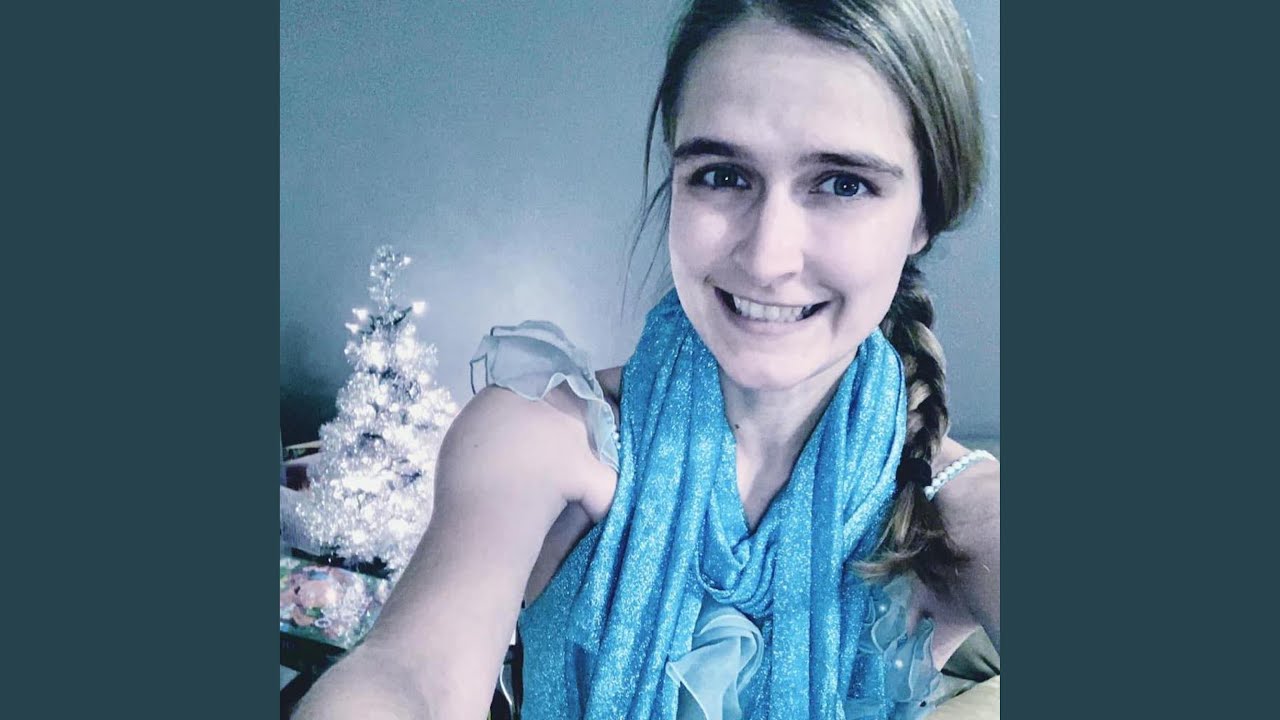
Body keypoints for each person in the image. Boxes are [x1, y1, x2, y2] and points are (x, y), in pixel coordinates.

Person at [293, 0, 999, 718]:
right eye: (723, 175)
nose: (767, 258)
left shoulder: (961, 513)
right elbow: (412, 672)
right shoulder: (541, 436)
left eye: (843, 184)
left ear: (923, 215)